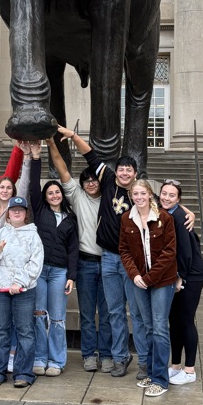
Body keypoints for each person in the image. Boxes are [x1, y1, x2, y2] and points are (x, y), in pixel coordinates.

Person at [56, 126, 148, 378]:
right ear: (115, 171)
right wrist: (74, 137)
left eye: (129, 170)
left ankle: (144, 361)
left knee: (136, 313)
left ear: (135, 174)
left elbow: (165, 209)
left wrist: (186, 212)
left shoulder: (140, 194)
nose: (125, 172)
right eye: (122, 169)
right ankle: (120, 357)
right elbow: (91, 156)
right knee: (114, 311)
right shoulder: (107, 180)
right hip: (108, 257)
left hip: (132, 261)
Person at [47, 136, 113, 372]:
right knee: (87, 313)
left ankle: (106, 354)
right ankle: (88, 354)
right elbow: (62, 168)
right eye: (87, 180)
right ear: (82, 184)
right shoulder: (76, 196)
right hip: (85, 263)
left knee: (106, 313)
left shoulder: (111, 199)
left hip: (107, 262)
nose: (91, 183)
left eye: (95, 180)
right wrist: (52, 143)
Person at [119, 179, 177, 397]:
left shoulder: (164, 218)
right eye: (135, 194)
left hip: (161, 281)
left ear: (150, 195)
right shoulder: (127, 219)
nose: (139, 197)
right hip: (139, 282)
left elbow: (169, 253)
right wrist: (135, 275)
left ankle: (161, 380)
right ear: (131, 196)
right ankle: (152, 374)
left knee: (160, 328)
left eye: (143, 193)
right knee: (147, 326)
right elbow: (124, 250)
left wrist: (150, 278)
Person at [0, 196, 44, 388]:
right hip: (0, 289)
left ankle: (24, 372)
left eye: (21, 210)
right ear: (8, 213)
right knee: (0, 330)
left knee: (25, 330)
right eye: (13, 209)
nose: (17, 212)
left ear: (26, 213)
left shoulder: (33, 235)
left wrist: (19, 281)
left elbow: (36, 263)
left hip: (23, 291)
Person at [29, 142, 79, 376]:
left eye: (57, 192)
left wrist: (72, 276)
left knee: (57, 318)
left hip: (59, 272)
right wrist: (36, 158)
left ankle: (57, 360)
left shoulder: (70, 218)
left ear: (62, 194)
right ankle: (39, 357)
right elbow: (32, 185)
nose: (54, 195)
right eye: (50, 192)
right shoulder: (40, 212)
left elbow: (72, 250)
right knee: (39, 315)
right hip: (40, 271)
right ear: (45, 196)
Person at [159, 178, 203, 385]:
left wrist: (180, 277)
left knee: (186, 320)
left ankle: (189, 370)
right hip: (174, 274)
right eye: (164, 193)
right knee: (174, 321)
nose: (166, 197)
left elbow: (186, 253)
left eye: (172, 195)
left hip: (190, 275)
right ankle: (175, 365)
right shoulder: (167, 212)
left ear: (178, 199)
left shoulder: (179, 217)